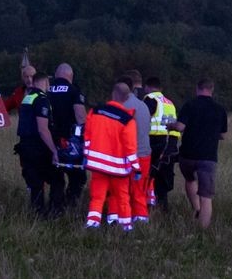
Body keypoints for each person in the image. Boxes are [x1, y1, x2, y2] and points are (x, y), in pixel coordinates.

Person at [83, 81, 141, 230]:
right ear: (127, 98)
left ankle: (92, 223)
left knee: (97, 196)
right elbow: (130, 148)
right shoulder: (127, 120)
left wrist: (86, 155)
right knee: (122, 197)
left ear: (112, 94)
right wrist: (136, 168)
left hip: (97, 165)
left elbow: (87, 137)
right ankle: (126, 226)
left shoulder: (95, 111)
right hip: (118, 169)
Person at [173, 78, 228, 227]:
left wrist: (170, 125)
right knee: (206, 196)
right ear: (212, 90)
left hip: (187, 155)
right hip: (208, 157)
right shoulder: (220, 109)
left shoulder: (190, 105)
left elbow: (179, 127)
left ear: (197, 89)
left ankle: (196, 209)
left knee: (190, 180)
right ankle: (203, 229)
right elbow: (222, 134)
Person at [106, 70, 153, 224]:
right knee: (139, 192)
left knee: (116, 191)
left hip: (122, 157)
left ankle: (114, 220)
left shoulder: (116, 107)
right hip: (143, 155)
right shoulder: (144, 106)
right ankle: (140, 221)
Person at [14, 73, 65, 217]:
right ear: (45, 83)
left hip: (25, 147)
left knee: (36, 184)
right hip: (39, 148)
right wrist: (54, 150)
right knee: (57, 179)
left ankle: (38, 215)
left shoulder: (27, 98)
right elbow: (43, 129)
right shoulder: (42, 99)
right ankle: (55, 212)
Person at [48, 63, 88, 207]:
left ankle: (55, 208)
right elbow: (81, 117)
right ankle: (71, 205)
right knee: (77, 177)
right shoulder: (74, 91)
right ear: (70, 77)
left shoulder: (47, 89)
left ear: (56, 74)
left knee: (56, 178)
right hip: (69, 143)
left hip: (49, 141)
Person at [143, 76, 181, 210]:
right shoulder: (169, 103)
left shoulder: (150, 99)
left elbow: (142, 120)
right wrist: (172, 146)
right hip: (168, 143)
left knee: (147, 177)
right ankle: (163, 210)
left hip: (152, 142)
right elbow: (174, 126)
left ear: (147, 87)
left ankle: (146, 209)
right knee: (163, 181)